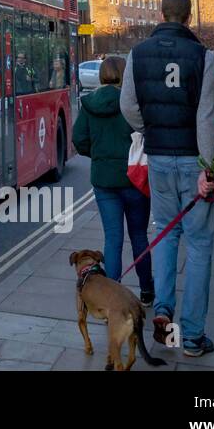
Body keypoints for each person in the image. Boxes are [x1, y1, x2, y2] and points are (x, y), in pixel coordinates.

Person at [120, 0, 214, 358]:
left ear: (161, 15)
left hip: (158, 159)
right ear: (188, 17)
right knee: (199, 244)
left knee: (163, 233)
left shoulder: (137, 53)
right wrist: (208, 168)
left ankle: (163, 309)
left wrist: (149, 130)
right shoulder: (203, 57)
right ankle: (192, 336)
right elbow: (206, 116)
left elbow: (127, 105)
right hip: (193, 160)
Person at [73, 56, 154, 305]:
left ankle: (113, 296)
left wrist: (98, 155)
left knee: (113, 238)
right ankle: (147, 291)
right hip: (134, 179)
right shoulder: (132, 102)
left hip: (104, 179)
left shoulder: (89, 104)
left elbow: (79, 140)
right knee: (139, 234)